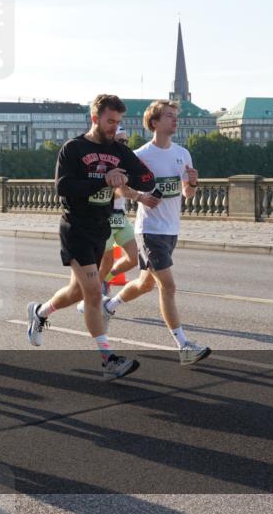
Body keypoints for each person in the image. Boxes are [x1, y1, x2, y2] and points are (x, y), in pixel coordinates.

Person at [26, 94, 155, 381]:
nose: (114, 127)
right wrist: (104, 179)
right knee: (95, 294)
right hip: (76, 228)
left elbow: (147, 179)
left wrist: (128, 180)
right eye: (110, 121)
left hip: (101, 227)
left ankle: (40, 312)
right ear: (94, 118)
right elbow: (63, 187)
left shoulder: (119, 151)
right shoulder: (73, 148)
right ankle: (108, 359)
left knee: (77, 292)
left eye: (118, 122)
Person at [96, 100, 211, 365]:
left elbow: (187, 194)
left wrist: (193, 182)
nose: (175, 120)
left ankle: (108, 306)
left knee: (147, 283)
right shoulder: (140, 156)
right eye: (169, 116)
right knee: (168, 286)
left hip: (171, 229)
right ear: (154, 123)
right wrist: (140, 196)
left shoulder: (183, 154)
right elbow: (119, 187)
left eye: (176, 116)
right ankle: (183, 345)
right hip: (149, 230)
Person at [76, 125, 139, 312]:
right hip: (105, 217)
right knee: (107, 260)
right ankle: (90, 297)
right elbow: (114, 193)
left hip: (121, 217)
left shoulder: (125, 160)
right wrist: (136, 195)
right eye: (121, 140)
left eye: (126, 141)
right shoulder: (102, 162)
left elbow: (126, 188)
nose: (125, 144)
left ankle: (103, 282)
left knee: (134, 258)